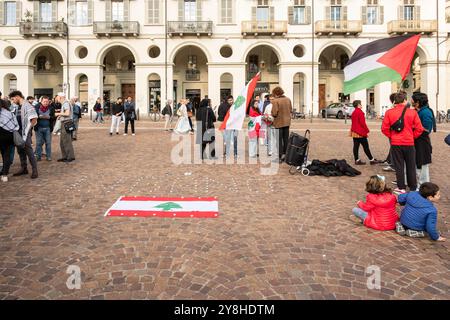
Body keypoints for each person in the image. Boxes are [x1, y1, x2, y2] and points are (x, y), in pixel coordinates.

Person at [381, 92, 424, 195]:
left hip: (396, 143)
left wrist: (392, 136)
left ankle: (401, 187)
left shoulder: (389, 112)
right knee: (411, 166)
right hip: (409, 142)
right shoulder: (412, 112)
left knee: (399, 166)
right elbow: (419, 129)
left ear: (395, 101)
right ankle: (413, 187)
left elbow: (384, 129)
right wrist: (412, 137)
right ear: (405, 100)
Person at [9, 90, 38, 179]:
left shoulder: (27, 105)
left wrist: (27, 129)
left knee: (29, 151)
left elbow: (34, 119)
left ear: (17, 96)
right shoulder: (17, 106)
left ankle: (35, 170)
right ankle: (24, 168)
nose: (13, 101)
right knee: (20, 150)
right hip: (18, 131)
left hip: (25, 131)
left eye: (13, 99)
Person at [411, 92, 434, 188]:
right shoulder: (418, 111)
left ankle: (424, 185)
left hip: (422, 142)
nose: (411, 101)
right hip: (417, 140)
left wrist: (413, 128)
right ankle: (420, 184)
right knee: (418, 163)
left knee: (423, 164)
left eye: (412, 100)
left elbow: (426, 129)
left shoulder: (426, 112)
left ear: (418, 102)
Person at [350, 100, 382, 165]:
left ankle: (357, 160)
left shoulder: (354, 112)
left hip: (354, 131)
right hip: (360, 132)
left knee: (356, 146)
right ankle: (371, 160)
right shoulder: (360, 112)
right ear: (358, 105)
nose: (361, 105)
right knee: (366, 146)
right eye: (360, 104)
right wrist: (367, 130)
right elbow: (362, 123)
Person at [271, 86, 292, 162]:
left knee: (279, 140)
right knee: (286, 139)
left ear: (276, 94)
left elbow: (274, 113)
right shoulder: (288, 99)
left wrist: (272, 114)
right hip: (287, 122)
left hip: (279, 123)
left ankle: (279, 157)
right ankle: (285, 155)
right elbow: (290, 110)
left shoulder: (275, 101)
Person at [0, 99, 19, 182]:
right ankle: (5, 175)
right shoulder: (9, 113)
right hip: (8, 135)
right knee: (6, 155)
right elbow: (15, 125)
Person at [55, 92, 75, 163]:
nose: (56, 98)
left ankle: (70, 156)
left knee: (66, 140)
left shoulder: (66, 103)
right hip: (65, 122)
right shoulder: (65, 103)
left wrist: (58, 113)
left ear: (60, 97)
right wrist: (60, 115)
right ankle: (65, 156)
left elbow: (67, 113)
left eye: (57, 97)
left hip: (66, 123)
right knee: (63, 141)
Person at [34, 96, 52, 161]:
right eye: (44, 101)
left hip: (48, 128)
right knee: (38, 143)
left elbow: (53, 117)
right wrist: (39, 116)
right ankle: (38, 156)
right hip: (39, 128)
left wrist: (49, 117)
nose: (45, 103)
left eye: (47, 101)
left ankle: (49, 156)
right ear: (41, 101)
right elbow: (33, 116)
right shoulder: (37, 107)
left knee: (48, 143)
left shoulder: (51, 107)